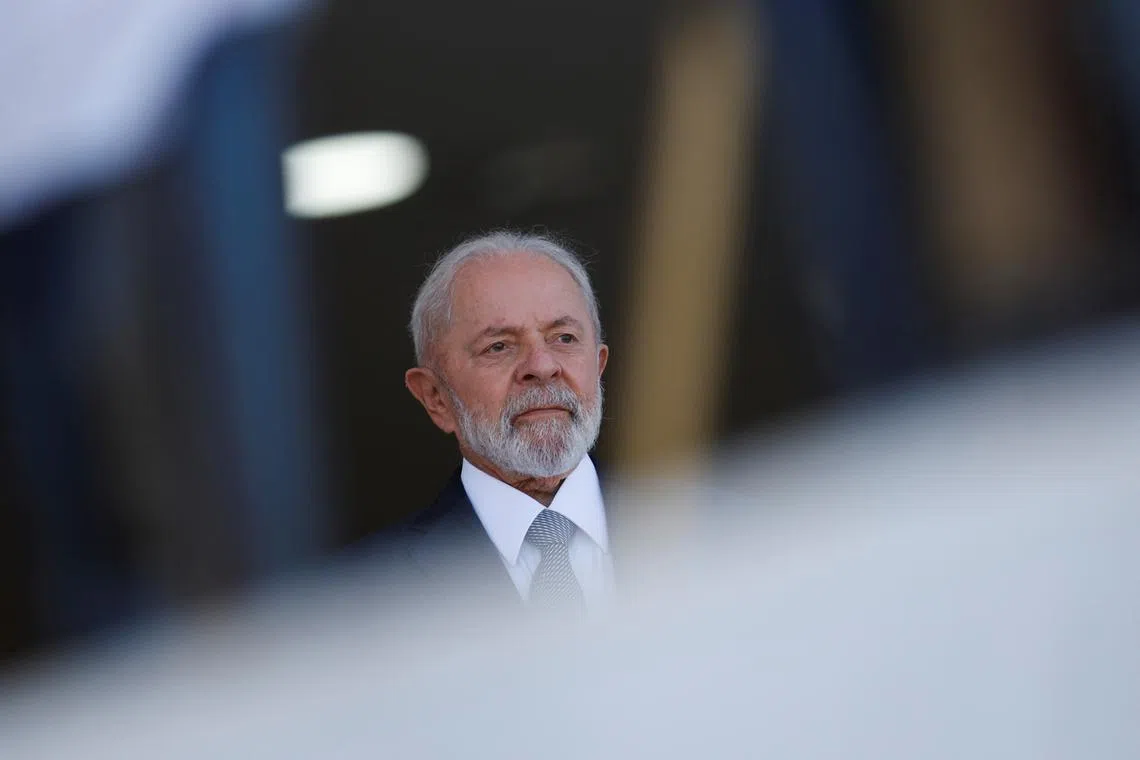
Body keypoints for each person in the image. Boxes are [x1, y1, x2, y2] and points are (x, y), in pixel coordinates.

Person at [381, 231, 613, 612]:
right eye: (499, 346)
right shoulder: (377, 598)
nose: (542, 366)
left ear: (598, 366)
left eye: (565, 338)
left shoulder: (710, 527)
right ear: (435, 398)